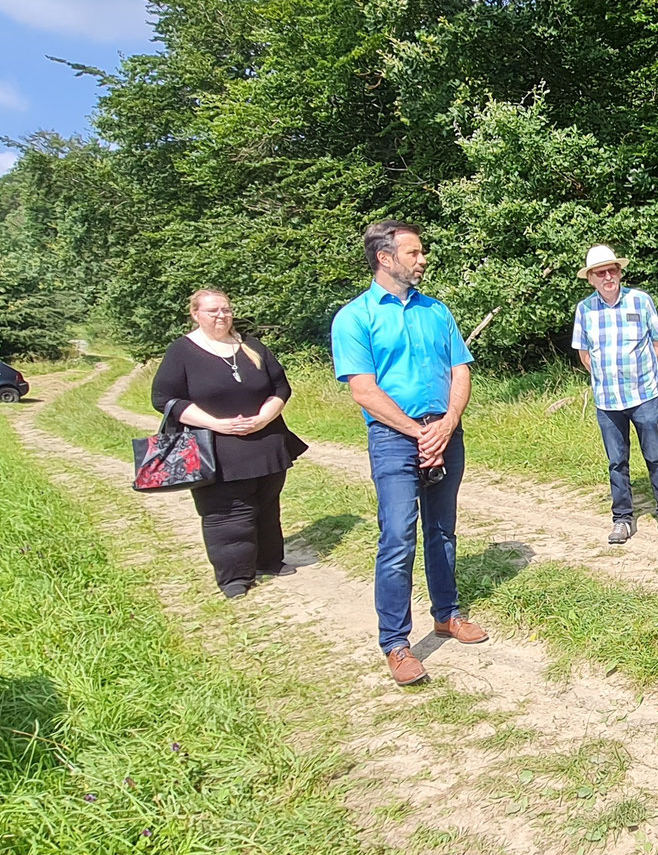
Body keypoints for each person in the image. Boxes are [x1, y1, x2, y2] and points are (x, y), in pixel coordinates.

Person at [331, 221, 489, 687]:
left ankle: (447, 614)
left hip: (444, 430)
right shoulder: (355, 317)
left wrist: (447, 424)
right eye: (414, 252)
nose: (422, 260)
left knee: (443, 530)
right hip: (394, 438)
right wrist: (416, 433)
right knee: (398, 536)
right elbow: (363, 389)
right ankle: (396, 644)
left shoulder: (436, 311)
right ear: (385, 258)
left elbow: (460, 369)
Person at [151, 288, 307, 599]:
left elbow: (280, 386)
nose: (221, 315)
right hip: (215, 449)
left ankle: (268, 559)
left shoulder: (250, 346)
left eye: (225, 309)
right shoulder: (181, 352)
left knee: (266, 505)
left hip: (265, 443)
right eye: (213, 311)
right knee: (227, 514)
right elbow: (164, 398)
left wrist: (264, 417)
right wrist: (217, 423)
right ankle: (234, 576)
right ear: (196, 314)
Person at [571, 244, 658, 545]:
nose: (608, 276)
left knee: (655, 456)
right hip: (608, 400)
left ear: (620, 272)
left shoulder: (640, 301)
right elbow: (584, 352)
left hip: (645, 394)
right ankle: (622, 519)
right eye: (601, 272)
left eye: (612, 270)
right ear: (591, 279)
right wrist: (603, 377)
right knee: (616, 462)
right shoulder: (584, 309)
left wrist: (650, 377)